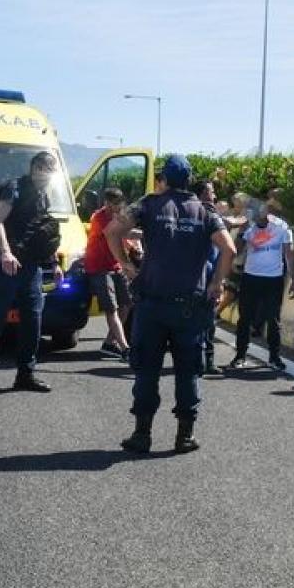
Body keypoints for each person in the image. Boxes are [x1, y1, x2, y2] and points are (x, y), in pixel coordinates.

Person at [104, 154, 235, 454]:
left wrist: (126, 266)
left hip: (152, 304)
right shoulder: (205, 211)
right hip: (190, 306)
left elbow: (111, 231)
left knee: (147, 370)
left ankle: (142, 435)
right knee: (188, 372)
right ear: (189, 180)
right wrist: (216, 283)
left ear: (164, 179)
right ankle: (184, 436)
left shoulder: (148, 204)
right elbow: (228, 248)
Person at [0, 151, 64, 398]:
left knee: (33, 321)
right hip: (7, 264)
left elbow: (42, 231)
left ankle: (25, 374)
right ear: (33, 168)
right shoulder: (14, 188)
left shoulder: (43, 194)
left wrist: (54, 263)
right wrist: (6, 253)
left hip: (31, 266)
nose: (45, 174)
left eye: (50, 170)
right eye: (42, 169)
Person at [227, 193, 294, 371]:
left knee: (273, 319)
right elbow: (237, 249)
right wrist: (242, 232)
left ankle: (274, 356)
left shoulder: (282, 228)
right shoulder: (250, 227)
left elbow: (289, 255)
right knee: (245, 318)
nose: (260, 216)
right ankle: (240, 355)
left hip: (273, 279)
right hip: (251, 277)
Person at [84, 187, 132, 361]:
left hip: (115, 266)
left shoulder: (119, 215)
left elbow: (124, 238)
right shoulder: (99, 217)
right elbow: (118, 232)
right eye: (113, 204)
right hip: (99, 268)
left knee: (127, 304)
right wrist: (147, 233)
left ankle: (109, 343)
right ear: (106, 203)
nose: (116, 207)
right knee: (112, 309)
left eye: (118, 204)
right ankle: (125, 348)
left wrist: (133, 247)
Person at [191, 178, 223, 375]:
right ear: (203, 194)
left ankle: (207, 361)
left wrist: (219, 280)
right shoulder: (198, 214)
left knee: (208, 321)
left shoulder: (212, 214)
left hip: (210, 275)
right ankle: (198, 360)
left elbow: (221, 252)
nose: (214, 195)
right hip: (196, 277)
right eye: (211, 192)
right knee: (198, 321)